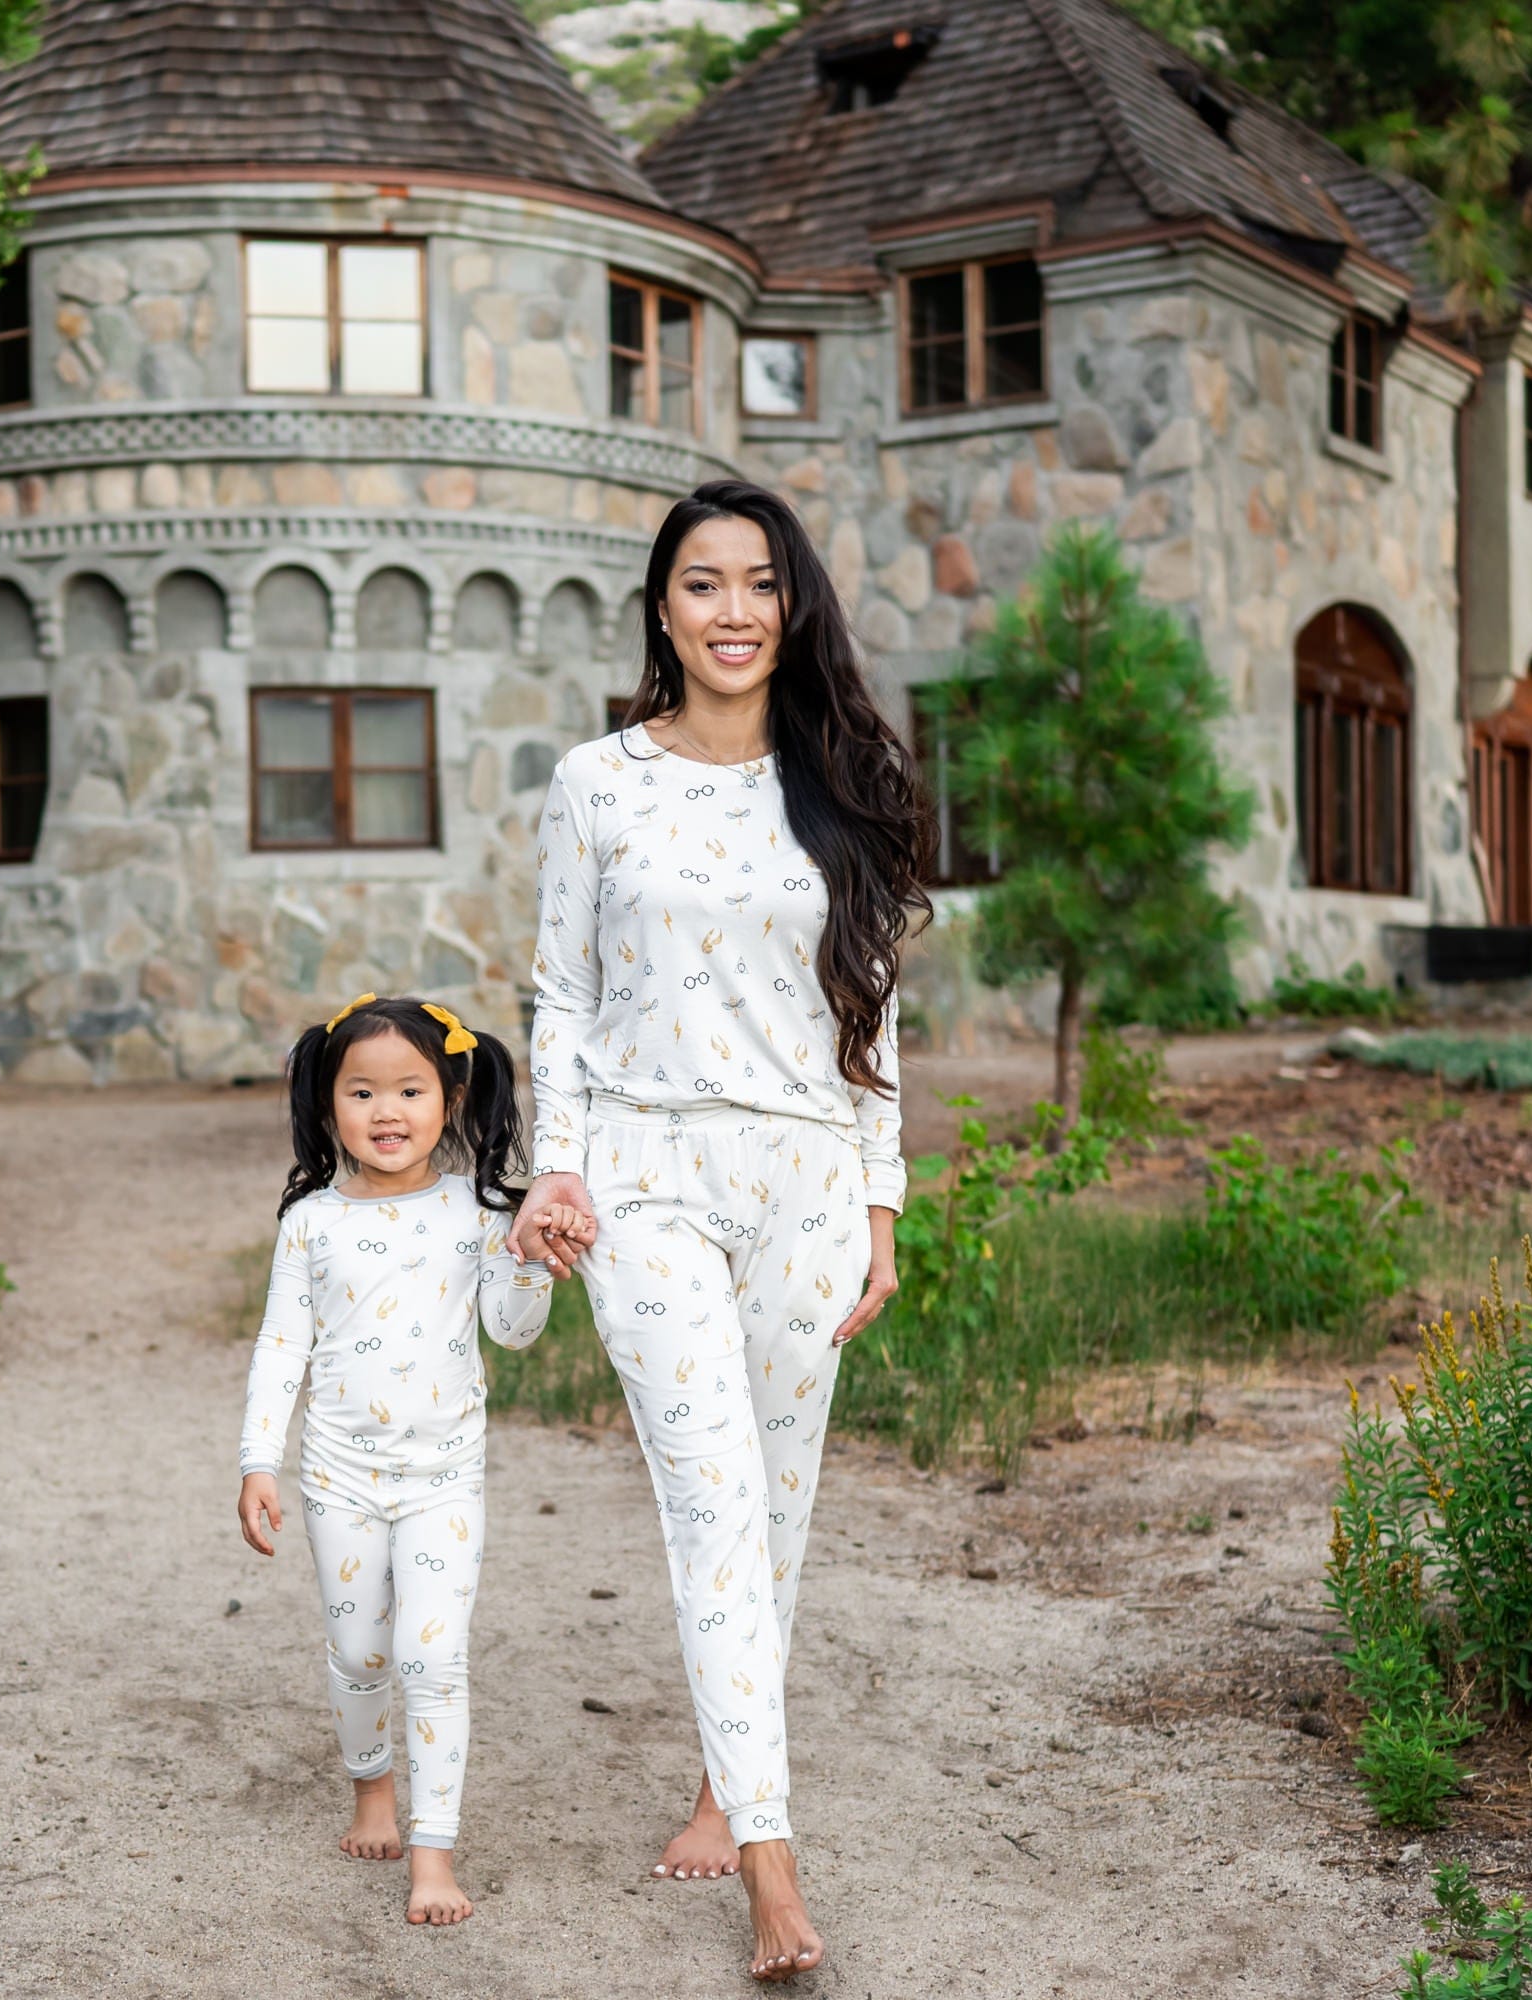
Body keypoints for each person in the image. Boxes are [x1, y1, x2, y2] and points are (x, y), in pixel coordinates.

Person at [509, 479, 933, 1982]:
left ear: (794, 605)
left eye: (761, 583)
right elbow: (557, 994)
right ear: (664, 610)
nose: (735, 609)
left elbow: (868, 1007)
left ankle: (717, 1777)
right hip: (649, 1175)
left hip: (810, 1182)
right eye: (703, 584)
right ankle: (773, 1863)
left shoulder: (842, 786)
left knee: (781, 1498)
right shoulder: (597, 783)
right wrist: (554, 1169)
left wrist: (882, 1200)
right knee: (710, 1499)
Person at [236, 993, 589, 1926]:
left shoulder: (477, 1210)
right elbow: (281, 1345)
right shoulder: (311, 1221)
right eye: (360, 1092)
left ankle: (433, 1853)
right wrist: (256, 1461)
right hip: (337, 1477)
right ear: (325, 1106)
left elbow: (511, 1335)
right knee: (360, 1652)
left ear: (453, 1098)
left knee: (434, 1661)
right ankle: (372, 1790)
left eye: (408, 1090)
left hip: (443, 1480)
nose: (384, 1112)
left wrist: (522, 1260)